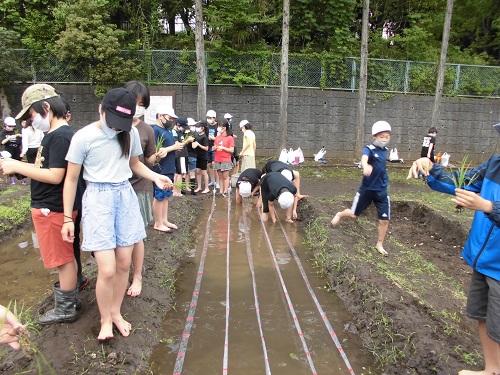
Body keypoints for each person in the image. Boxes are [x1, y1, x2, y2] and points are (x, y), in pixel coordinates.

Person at [61, 87, 173, 341]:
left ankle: (116, 312)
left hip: (124, 196)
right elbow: (71, 180)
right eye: (113, 122)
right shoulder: (83, 137)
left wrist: (156, 177)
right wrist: (68, 218)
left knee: (124, 262)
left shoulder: (130, 132)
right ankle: (104, 321)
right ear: (101, 109)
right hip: (98, 199)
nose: (116, 128)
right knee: (107, 269)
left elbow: (134, 164)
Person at [408, 123, 500, 375]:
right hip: (485, 259)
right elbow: (459, 182)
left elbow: (487, 204)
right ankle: (491, 369)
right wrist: (431, 168)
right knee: (484, 317)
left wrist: (489, 206)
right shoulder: (494, 164)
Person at [0, 84, 80, 324]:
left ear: (46, 107)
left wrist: (16, 166)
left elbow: (56, 175)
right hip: (53, 207)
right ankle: (70, 299)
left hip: (51, 208)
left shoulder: (60, 137)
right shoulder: (56, 135)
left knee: (62, 259)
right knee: (66, 256)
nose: (31, 121)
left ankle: (66, 309)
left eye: (32, 115)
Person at [330, 120, 392, 257]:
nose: (385, 140)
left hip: (381, 190)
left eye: (387, 137)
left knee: (384, 220)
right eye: (382, 137)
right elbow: (364, 159)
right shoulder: (368, 149)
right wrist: (365, 167)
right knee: (353, 215)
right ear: (374, 136)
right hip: (367, 190)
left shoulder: (385, 150)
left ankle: (379, 244)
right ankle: (340, 214)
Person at [123, 80, 157, 297]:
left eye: (141, 103)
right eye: (134, 102)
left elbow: (148, 160)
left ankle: (137, 276)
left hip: (139, 186)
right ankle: (120, 273)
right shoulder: (113, 126)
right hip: (117, 187)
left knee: (136, 236)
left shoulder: (146, 130)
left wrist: (157, 156)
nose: (137, 107)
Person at [60, 96, 89, 292]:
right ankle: (77, 278)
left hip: (71, 198)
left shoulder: (64, 136)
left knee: (69, 243)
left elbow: (64, 177)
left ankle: (73, 283)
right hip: (77, 196)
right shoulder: (74, 135)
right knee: (74, 241)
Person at [152, 105, 184, 232]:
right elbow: (156, 151)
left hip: (169, 166)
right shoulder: (155, 130)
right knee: (159, 195)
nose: (171, 120)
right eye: (169, 117)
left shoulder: (168, 130)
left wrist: (176, 146)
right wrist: (174, 147)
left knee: (166, 195)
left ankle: (164, 220)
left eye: (172, 118)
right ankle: (158, 222)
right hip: (161, 169)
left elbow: (168, 147)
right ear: (160, 116)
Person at [1, 117, 26, 185]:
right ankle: (12, 180)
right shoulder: (4, 133)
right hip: (9, 150)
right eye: (10, 126)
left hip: (17, 150)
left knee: (18, 164)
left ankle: (21, 180)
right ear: (5, 125)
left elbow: (21, 141)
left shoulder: (16, 131)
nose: (11, 128)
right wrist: (9, 138)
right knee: (10, 165)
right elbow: (2, 142)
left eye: (13, 126)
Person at [213, 120, 234, 197]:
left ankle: (225, 191)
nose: (218, 128)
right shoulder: (217, 137)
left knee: (225, 176)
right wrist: (214, 148)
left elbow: (231, 150)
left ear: (224, 128)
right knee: (220, 176)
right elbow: (213, 147)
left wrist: (223, 148)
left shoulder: (230, 138)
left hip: (226, 159)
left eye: (219, 126)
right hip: (217, 159)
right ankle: (221, 191)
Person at [173, 117, 191, 197]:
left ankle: (175, 191)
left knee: (178, 174)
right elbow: (177, 144)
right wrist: (187, 140)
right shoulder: (174, 132)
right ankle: (177, 192)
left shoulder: (179, 132)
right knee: (180, 174)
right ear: (178, 125)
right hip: (181, 155)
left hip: (181, 155)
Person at [193, 121, 210, 194]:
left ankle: (207, 187)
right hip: (197, 156)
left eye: (198, 127)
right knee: (198, 171)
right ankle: (199, 186)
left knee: (204, 172)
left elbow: (206, 148)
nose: (196, 128)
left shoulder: (205, 137)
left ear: (202, 128)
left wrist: (198, 145)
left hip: (203, 156)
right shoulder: (197, 136)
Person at [206, 110, 219, 190]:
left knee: (215, 164)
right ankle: (212, 180)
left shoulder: (218, 126)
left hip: (215, 147)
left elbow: (218, 138)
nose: (209, 119)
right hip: (208, 146)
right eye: (208, 117)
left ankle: (218, 182)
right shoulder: (207, 126)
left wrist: (210, 137)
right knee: (210, 164)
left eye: (211, 118)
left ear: (214, 118)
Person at [186, 117, 198, 195]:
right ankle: (192, 191)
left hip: (184, 155)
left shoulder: (183, 134)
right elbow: (194, 146)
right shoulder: (193, 135)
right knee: (192, 173)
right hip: (192, 155)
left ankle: (185, 188)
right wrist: (197, 143)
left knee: (185, 172)